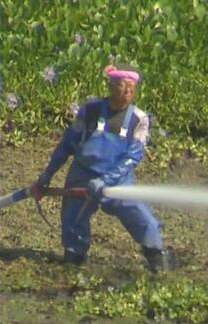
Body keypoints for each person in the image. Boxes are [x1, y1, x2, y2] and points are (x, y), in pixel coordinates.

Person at [30, 63, 171, 271]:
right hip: (82, 177)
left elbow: (133, 156)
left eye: (132, 88)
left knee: (145, 222)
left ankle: (160, 265)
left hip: (118, 181)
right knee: (73, 226)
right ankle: (74, 265)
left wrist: (105, 180)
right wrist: (46, 176)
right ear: (111, 86)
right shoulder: (90, 111)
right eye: (123, 86)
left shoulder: (139, 119)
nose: (127, 92)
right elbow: (67, 144)